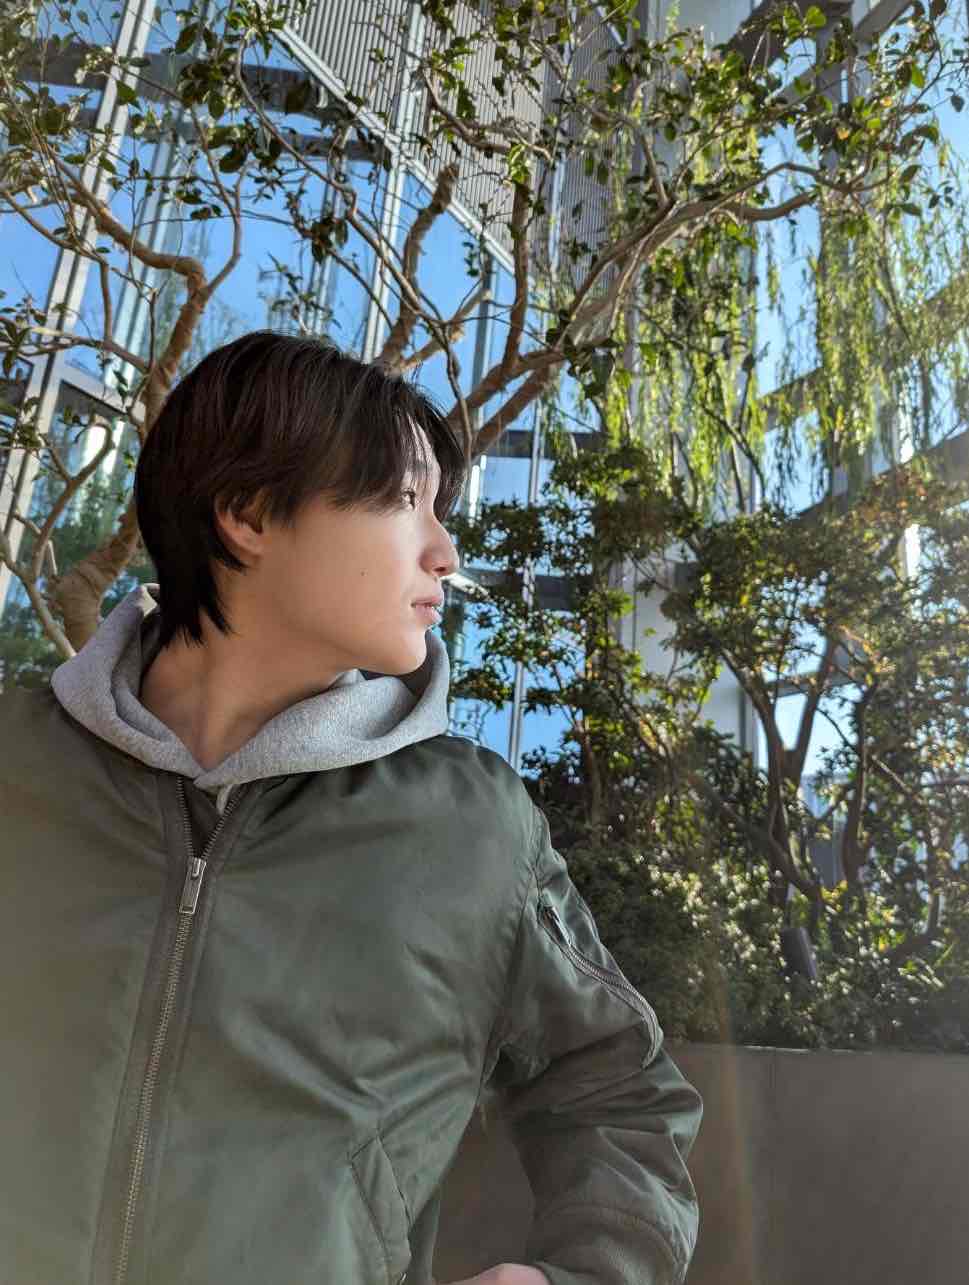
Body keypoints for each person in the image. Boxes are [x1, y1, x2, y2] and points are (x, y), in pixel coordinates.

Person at [0, 332, 702, 1285]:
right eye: (407, 502)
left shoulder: (472, 828)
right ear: (248, 513)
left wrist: (581, 1274)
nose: (445, 553)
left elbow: (621, 1091)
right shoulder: (17, 765)